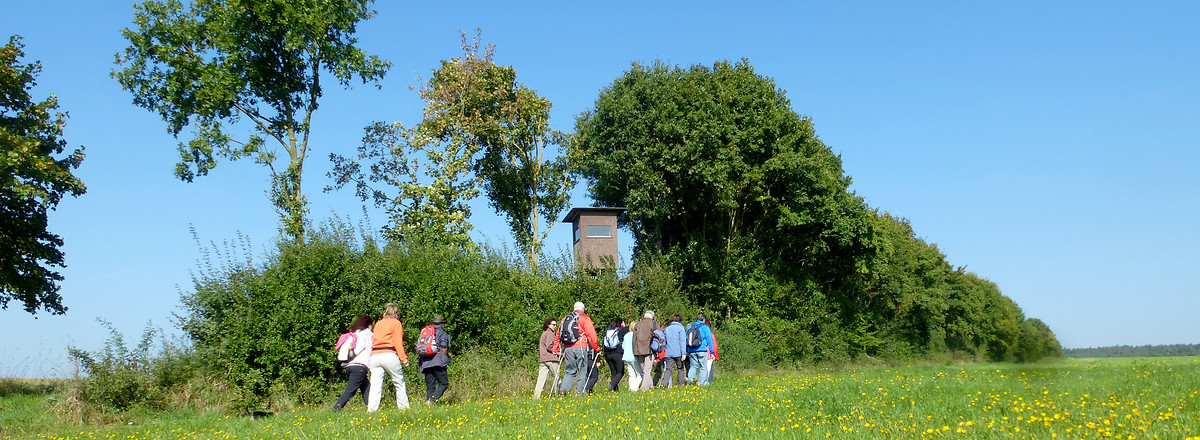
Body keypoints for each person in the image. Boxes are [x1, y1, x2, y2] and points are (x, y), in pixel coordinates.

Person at [368, 303, 411, 412]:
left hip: (375, 355)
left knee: (375, 385)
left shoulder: (378, 323)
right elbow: (397, 342)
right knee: (399, 382)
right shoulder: (396, 323)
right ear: (396, 313)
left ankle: (372, 410)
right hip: (388, 354)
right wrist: (404, 358)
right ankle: (404, 408)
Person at [557, 302, 600, 395]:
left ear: (574, 308)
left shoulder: (565, 318)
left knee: (570, 371)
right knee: (582, 371)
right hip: (580, 347)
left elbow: (558, 334)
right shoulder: (584, 318)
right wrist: (597, 349)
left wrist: (556, 349)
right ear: (583, 309)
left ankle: (563, 389)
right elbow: (591, 335)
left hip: (567, 348)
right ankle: (579, 393)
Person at [333, 315, 373, 411]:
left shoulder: (354, 334)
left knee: (366, 388)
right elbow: (370, 349)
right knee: (350, 391)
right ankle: (335, 409)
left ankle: (372, 409)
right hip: (360, 367)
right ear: (369, 324)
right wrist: (373, 367)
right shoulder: (367, 333)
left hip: (350, 366)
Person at [417, 314, 452, 404]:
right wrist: (443, 358)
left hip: (425, 362)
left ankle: (429, 404)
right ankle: (432, 400)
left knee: (430, 386)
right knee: (444, 383)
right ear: (442, 323)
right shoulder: (442, 332)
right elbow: (444, 347)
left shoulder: (427, 331)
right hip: (437, 362)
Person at [533, 318, 561, 399]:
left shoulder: (544, 334)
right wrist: (559, 353)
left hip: (543, 359)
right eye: (553, 324)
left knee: (541, 379)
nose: (555, 326)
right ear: (548, 325)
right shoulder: (550, 334)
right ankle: (559, 396)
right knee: (557, 377)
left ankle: (536, 397)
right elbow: (550, 346)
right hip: (551, 359)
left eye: (556, 325)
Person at [685, 313, 714, 386]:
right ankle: (700, 383)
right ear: (704, 320)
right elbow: (709, 340)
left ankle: (690, 379)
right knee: (703, 367)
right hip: (702, 350)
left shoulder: (690, 327)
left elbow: (686, 339)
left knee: (693, 366)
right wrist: (712, 351)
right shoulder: (705, 327)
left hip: (691, 350)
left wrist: (687, 350)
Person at [632, 310, 658, 390]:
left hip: (639, 350)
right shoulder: (654, 324)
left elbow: (634, 339)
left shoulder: (637, 325)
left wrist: (635, 351)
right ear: (652, 316)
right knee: (647, 370)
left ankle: (650, 387)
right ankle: (644, 387)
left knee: (644, 370)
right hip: (649, 350)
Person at [602, 317, 629, 392]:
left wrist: (604, 355)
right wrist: (623, 326)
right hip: (617, 353)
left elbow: (603, 344)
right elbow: (630, 330)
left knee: (613, 372)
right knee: (620, 372)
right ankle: (611, 385)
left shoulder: (608, 331)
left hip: (608, 354)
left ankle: (614, 390)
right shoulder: (622, 330)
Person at [661, 314, 687, 388]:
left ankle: (663, 384)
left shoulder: (667, 329)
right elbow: (682, 341)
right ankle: (681, 385)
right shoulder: (681, 329)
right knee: (681, 369)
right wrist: (684, 353)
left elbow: (664, 342)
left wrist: (666, 350)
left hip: (669, 353)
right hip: (679, 353)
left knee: (668, 370)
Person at [621, 321, 641, 391]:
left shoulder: (626, 335)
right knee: (640, 374)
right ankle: (634, 388)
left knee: (631, 375)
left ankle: (631, 388)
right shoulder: (636, 335)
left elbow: (623, 346)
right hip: (634, 357)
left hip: (626, 356)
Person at [705, 316, 719, 384]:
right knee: (708, 369)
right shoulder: (711, 334)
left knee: (704, 369)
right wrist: (716, 356)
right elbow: (714, 346)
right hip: (710, 354)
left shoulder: (700, 333)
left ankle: (705, 382)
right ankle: (707, 382)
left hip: (701, 353)